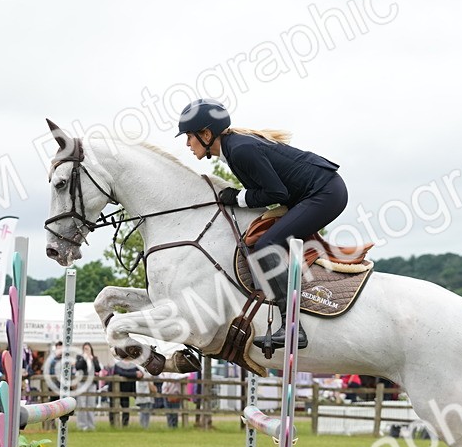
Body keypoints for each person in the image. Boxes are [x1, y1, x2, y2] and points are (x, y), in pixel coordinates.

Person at [177, 98, 347, 351]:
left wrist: (238, 197)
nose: (187, 144)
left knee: (267, 244)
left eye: (189, 136)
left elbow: (275, 193)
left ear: (206, 134)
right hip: (313, 194)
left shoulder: (240, 149)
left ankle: (292, 329)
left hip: (325, 194)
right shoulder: (234, 149)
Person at [74, 342, 101, 432]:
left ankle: (91, 425)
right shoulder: (80, 357)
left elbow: (98, 369)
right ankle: (82, 426)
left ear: (91, 350)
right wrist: (84, 359)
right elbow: (78, 367)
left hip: (92, 384)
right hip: (82, 383)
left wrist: (91, 359)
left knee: (90, 404)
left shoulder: (95, 358)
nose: (86, 350)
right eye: (84, 349)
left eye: (87, 349)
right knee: (81, 404)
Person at [110, 356, 143, 427]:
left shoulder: (132, 365)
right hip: (115, 391)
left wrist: (137, 374)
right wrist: (134, 374)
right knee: (113, 408)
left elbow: (141, 373)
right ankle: (113, 425)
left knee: (126, 409)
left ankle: (125, 425)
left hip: (126, 391)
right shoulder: (118, 365)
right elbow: (121, 373)